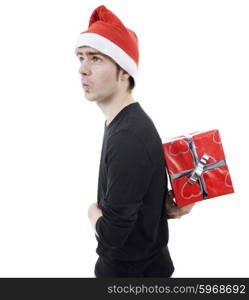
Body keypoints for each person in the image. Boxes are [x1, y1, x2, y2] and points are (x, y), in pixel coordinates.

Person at [75, 5, 195, 277]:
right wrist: (161, 208)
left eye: (95, 59)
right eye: (81, 57)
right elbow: (136, 202)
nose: (82, 69)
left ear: (124, 71)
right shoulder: (122, 123)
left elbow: (112, 237)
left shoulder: (128, 137)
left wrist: (91, 212)